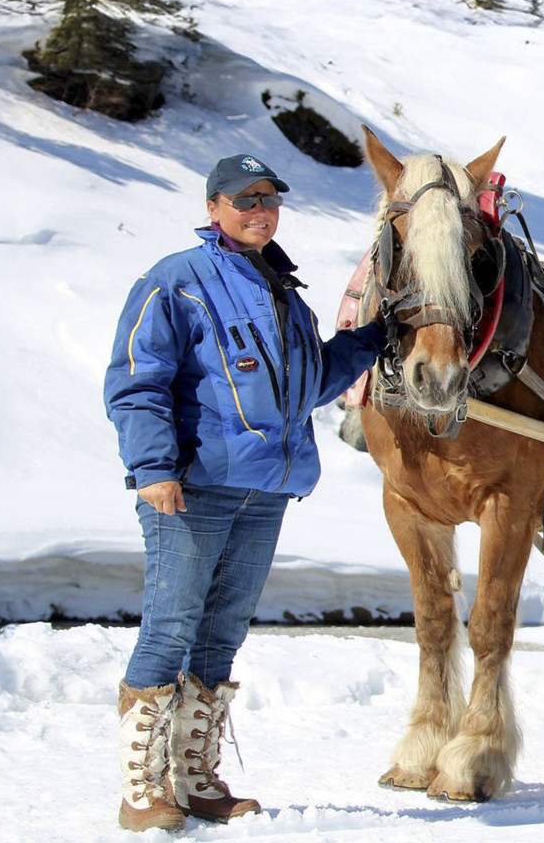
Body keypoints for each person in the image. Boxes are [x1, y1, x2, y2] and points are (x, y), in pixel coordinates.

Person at [103, 153, 384, 831]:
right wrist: (153, 468)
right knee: (170, 627)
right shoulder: (177, 281)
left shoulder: (285, 293)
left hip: (266, 491)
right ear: (214, 208)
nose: (260, 210)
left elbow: (310, 384)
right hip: (194, 488)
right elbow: (137, 382)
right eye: (244, 199)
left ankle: (195, 777)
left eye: (269, 199)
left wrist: (376, 337)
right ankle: (143, 787)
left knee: (220, 634)